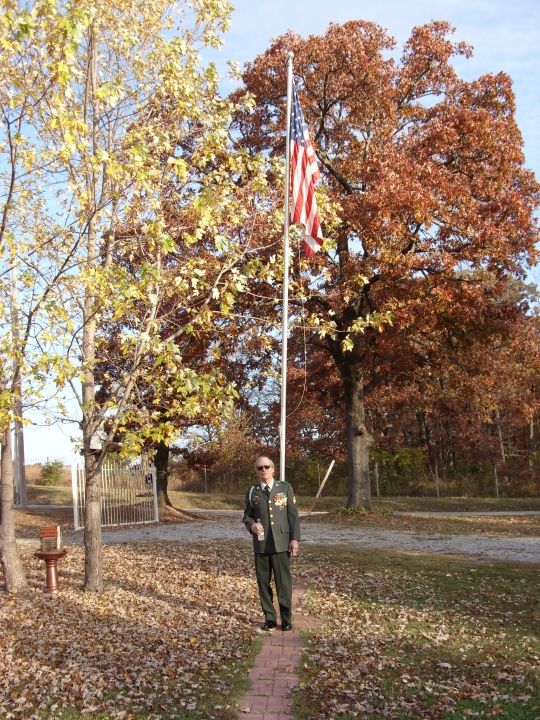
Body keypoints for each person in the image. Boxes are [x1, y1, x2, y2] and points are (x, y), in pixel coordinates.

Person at [243, 456, 300, 632]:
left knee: (283, 583)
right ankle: (269, 618)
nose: (263, 470)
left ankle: (286, 618)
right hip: (261, 545)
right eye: (260, 468)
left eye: (267, 467)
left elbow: (293, 515)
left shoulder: (284, 488)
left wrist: (294, 539)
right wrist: (251, 525)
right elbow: (247, 515)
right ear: (256, 471)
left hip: (281, 543)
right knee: (263, 582)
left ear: (273, 469)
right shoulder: (253, 491)